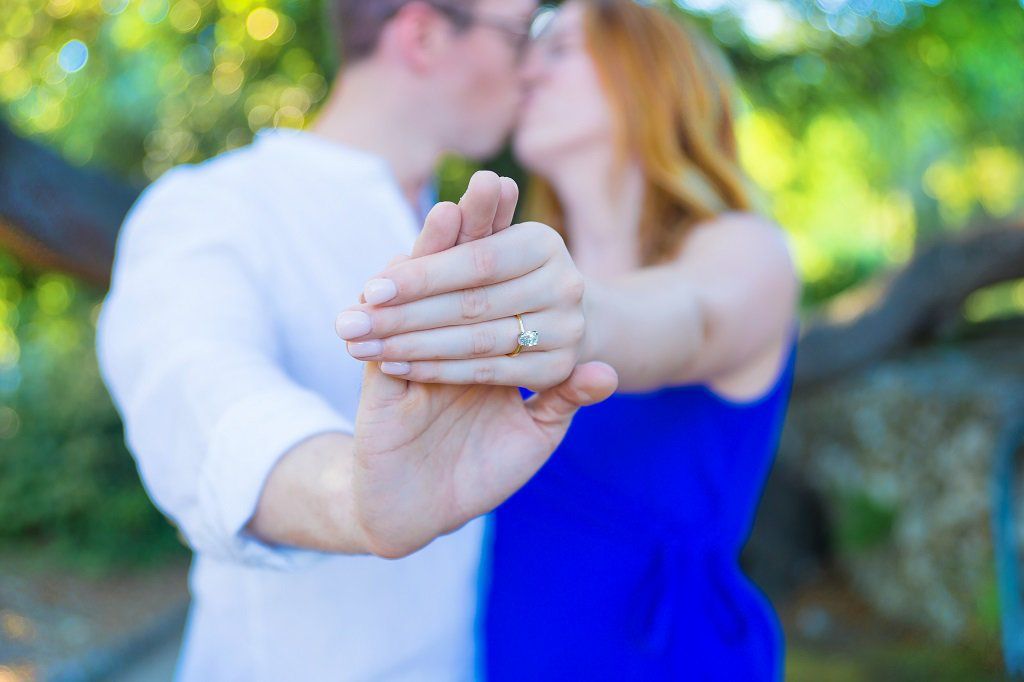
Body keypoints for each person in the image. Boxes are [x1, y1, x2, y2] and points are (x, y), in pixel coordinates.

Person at [96, 1, 621, 679]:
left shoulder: (483, 243)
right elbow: (192, 388)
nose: (531, 69)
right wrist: (354, 497)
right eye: (522, 34)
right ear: (425, 34)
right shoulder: (211, 205)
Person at [334, 1, 800, 679]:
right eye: (528, 47)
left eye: (559, 49)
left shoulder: (743, 248)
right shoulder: (513, 275)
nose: (525, 67)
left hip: (668, 658)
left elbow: (685, 320)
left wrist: (571, 323)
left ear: (648, 72)